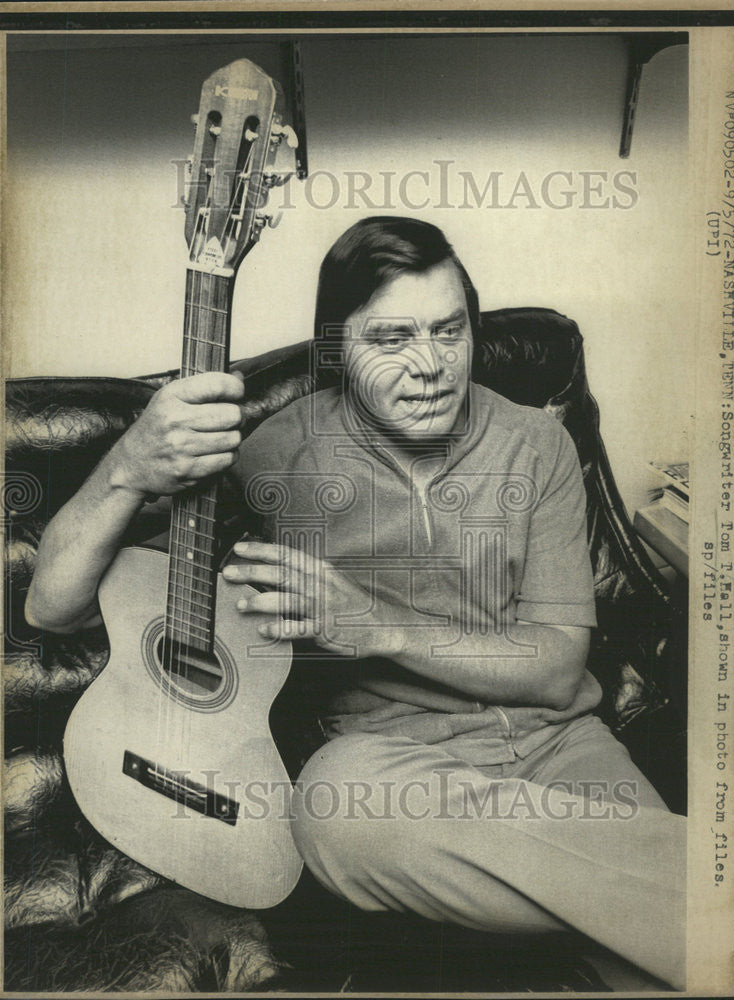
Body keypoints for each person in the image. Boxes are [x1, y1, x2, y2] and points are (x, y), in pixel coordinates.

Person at [26, 216, 685, 989]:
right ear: (338, 351)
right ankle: (715, 887)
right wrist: (130, 463)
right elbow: (51, 605)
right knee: (336, 808)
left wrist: (367, 624)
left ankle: (703, 898)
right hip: (398, 783)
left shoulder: (536, 446)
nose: (431, 365)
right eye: (392, 339)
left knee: (681, 963)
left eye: (450, 330)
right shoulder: (276, 454)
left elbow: (551, 670)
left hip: (561, 749)